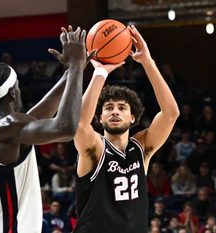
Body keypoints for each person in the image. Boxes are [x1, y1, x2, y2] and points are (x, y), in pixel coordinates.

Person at [0, 25, 93, 233]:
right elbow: (65, 128)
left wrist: (72, 71)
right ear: (13, 92)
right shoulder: (6, 127)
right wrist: (77, 65)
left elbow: (35, 117)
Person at [72, 25, 179, 233]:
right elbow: (80, 125)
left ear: (132, 118)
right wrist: (100, 72)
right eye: (109, 108)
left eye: (122, 108)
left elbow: (171, 114)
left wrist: (148, 62)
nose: (115, 112)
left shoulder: (142, 147)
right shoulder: (95, 149)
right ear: (99, 116)